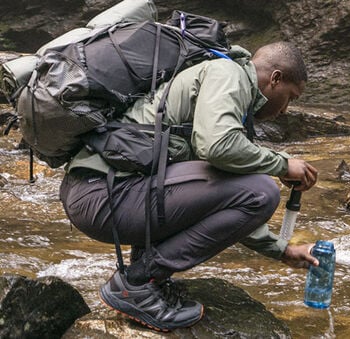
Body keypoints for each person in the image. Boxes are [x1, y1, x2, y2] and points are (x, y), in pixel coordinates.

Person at [59, 41, 319, 331]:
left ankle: (147, 279)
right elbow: (219, 148)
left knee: (252, 188)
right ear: (275, 79)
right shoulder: (227, 74)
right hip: (103, 195)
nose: (285, 110)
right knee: (263, 190)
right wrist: (283, 164)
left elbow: (220, 198)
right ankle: (138, 282)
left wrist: (281, 250)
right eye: (291, 97)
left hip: (103, 193)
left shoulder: (226, 89)